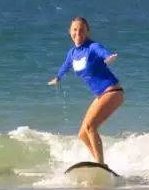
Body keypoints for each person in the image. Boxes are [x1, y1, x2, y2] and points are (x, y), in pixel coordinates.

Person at [48, 17, 125, 165]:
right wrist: (57, 78)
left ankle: (100, 164)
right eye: (75, 30)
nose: (78, 33)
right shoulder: (72, 53)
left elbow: (102, 51)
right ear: (70, 32)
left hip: (113, 92)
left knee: (91, 127)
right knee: (83, 134)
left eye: (82, 30)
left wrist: (109, 56)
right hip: (101, 95)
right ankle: (98, 162)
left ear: (88, 32)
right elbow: (65, 66)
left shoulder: (92, 47)